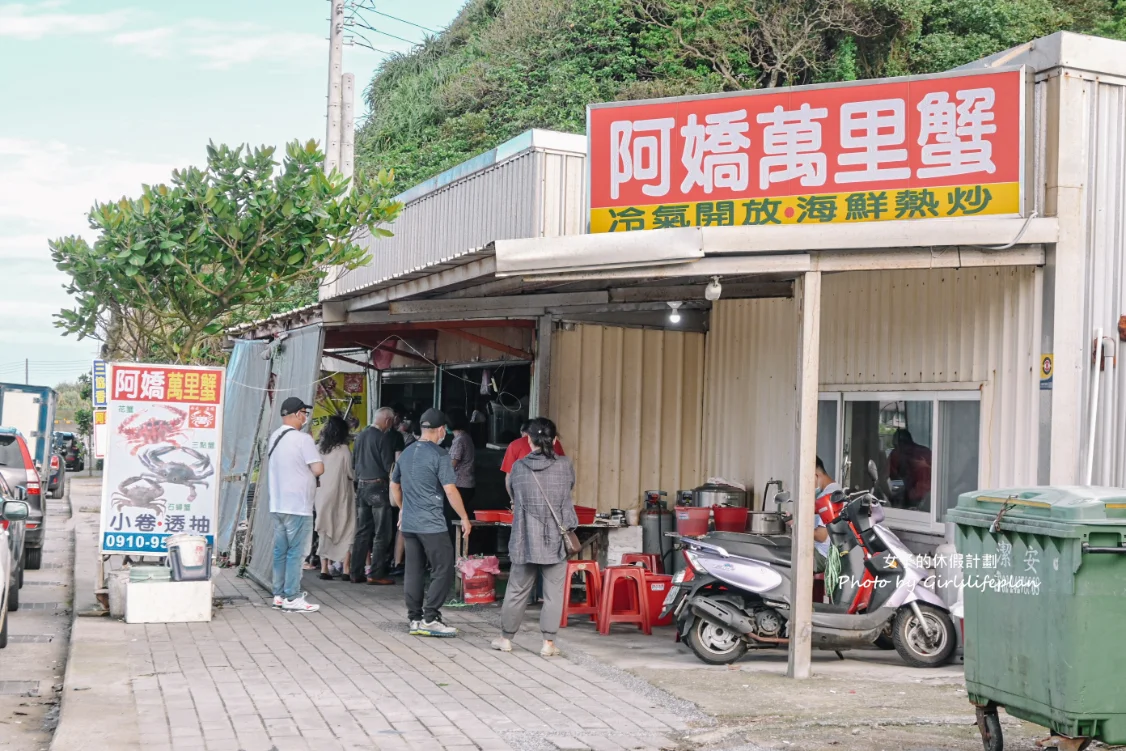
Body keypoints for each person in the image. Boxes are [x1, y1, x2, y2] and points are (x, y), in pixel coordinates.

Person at [492, 418, 577, 658]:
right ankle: (548, 643)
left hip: (524, 538)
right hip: (555, 539)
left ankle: (506, 639)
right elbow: (568, 489)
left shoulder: (519, 467)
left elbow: (513, 492)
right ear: (555, 439)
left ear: (528, 440)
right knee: (553, 593)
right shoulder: (565, 465)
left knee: (517, 590)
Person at [390, 408, 472, 637]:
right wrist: (464, 517)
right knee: (443, 567)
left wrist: (403, 509)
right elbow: (450, 489)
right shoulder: (439, 455)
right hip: (431, 524)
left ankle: (414, 619)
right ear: (440, 430)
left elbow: (394, 485)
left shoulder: (406, 452)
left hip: (409, 524)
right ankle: (431, 618)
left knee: (414, 570)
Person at [267, 397, 325, 613]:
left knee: (280, 551)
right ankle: (292, 596)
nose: (305, 417)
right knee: (295, 553)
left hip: (278, 503)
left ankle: (279, 595)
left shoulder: (274, 437)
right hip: (298, 505)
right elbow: (318, 469)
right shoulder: (303, 440)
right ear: (295, 414)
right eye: (304, 412)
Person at [350, 406, 403, 585]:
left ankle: (355, 572)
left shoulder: (360, 436)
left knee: (362, 530)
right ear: (388, 421)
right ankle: (376, 573)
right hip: (378, 488)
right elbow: (390, 466)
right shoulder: (383, 438)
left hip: (362, 487)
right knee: (382, 532)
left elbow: (354, 462)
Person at [313, 415, 356, 580]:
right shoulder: (344, 449)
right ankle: (345, 569)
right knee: (346, 528)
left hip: (322, 495)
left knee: (325, 529)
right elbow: (350, 473)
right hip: (342, 493)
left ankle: (324, 569)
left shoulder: (318, 449)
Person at [501, 418, 566, 496]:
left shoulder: (515, 446)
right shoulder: (555, 444)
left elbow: (509, 479)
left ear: (527, 435)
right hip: (552, 498)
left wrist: (513, 501)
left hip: (524, 499)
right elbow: (564, 475)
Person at [810, 457, 841, 574]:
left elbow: (821, 536)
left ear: (815, 475)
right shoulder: (833, 490)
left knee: (784, 559)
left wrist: (796, 526)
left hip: (822, 556)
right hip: (823, 551)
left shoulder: (829, 496)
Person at [888, 429, 932, 509]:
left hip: (927, 498)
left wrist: (924, 466)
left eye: (897, 446)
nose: (897, 449)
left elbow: (938, 475)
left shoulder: (925, 453)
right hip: (908, 495)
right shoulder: (895, 455)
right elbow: (892, 477)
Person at [448, 409, 476, 510]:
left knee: (453, 518)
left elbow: (452, 465)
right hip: (467, 484)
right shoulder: (466, 437)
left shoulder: (459, 440)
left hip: (460, 485)